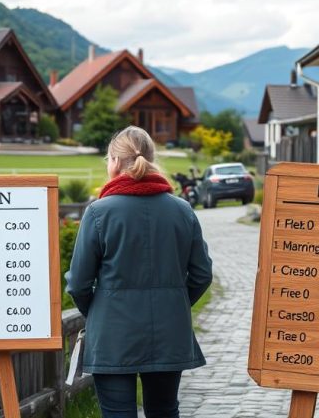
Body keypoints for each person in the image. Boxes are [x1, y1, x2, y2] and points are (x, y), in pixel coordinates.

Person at [66, 126, 213, 418]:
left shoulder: (98, 212)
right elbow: (201, 274)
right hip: (170, 332)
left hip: (112, 335)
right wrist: (176, 302)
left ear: (116, 162)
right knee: (164, 411)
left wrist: (98, 310)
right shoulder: (183, 210)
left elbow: (78, 283)